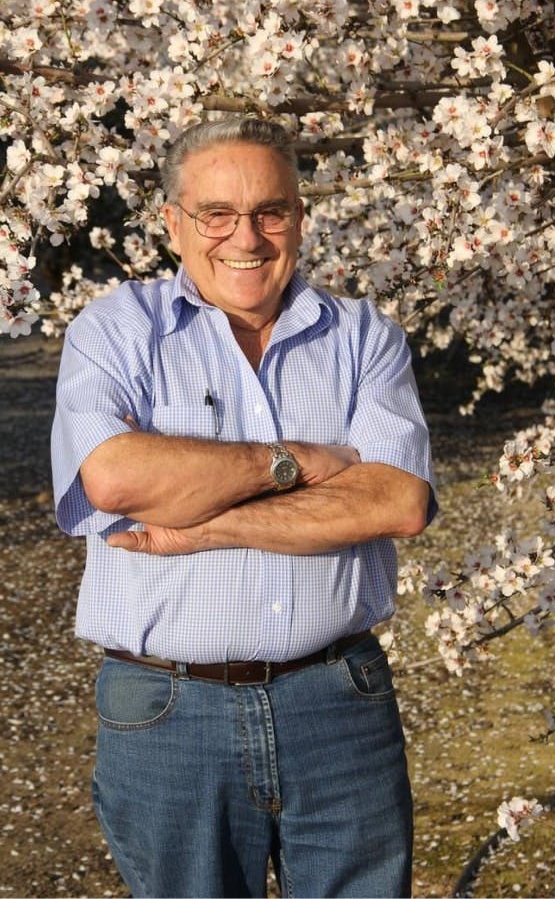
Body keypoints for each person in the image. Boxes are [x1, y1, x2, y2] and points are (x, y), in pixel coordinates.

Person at [51, 116, 437, 899]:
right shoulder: (117, 332)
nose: (246, 238)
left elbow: (397, 500)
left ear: (299, 215)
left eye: (270, 210)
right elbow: (115, 480)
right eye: (217, 214)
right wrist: (291, 465)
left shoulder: (364, 337)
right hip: (169, 711)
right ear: (173, 223)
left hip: (338, 703)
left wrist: (201, 520)